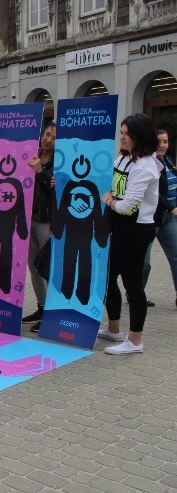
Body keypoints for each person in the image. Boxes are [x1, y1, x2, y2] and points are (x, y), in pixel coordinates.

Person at [99, 114, 161, 355]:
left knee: (133, 285)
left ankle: (135, 340)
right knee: (106, 277)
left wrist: (108, 200)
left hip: (136, 231)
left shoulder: (146, 166)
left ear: (140, 136)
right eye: (121, 132)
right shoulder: (124, 159)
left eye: (127, 133)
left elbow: (126, 206)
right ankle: (113, 328)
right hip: (119, 228)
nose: (122, 137)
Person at [23, 121, 56, 332]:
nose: (48, 139)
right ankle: (42, 307)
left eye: (53, 137)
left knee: (47, 267)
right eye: (46, 134)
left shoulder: (59, 162)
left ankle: (52, 313)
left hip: (46, 220)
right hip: (27, 218)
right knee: (33, 266)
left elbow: (57, 192)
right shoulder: (30, 153)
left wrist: (40, 171)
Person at [141, 129, 177, 308]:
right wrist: (172, 207)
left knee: (176, 256)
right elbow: (154, 192)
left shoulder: (168, 161)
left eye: (166, 141)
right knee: (144, 262)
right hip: (150, 218)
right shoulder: (149, 163)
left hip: (168, 219)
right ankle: (137, 294)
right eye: (159, 141)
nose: (162, 145)